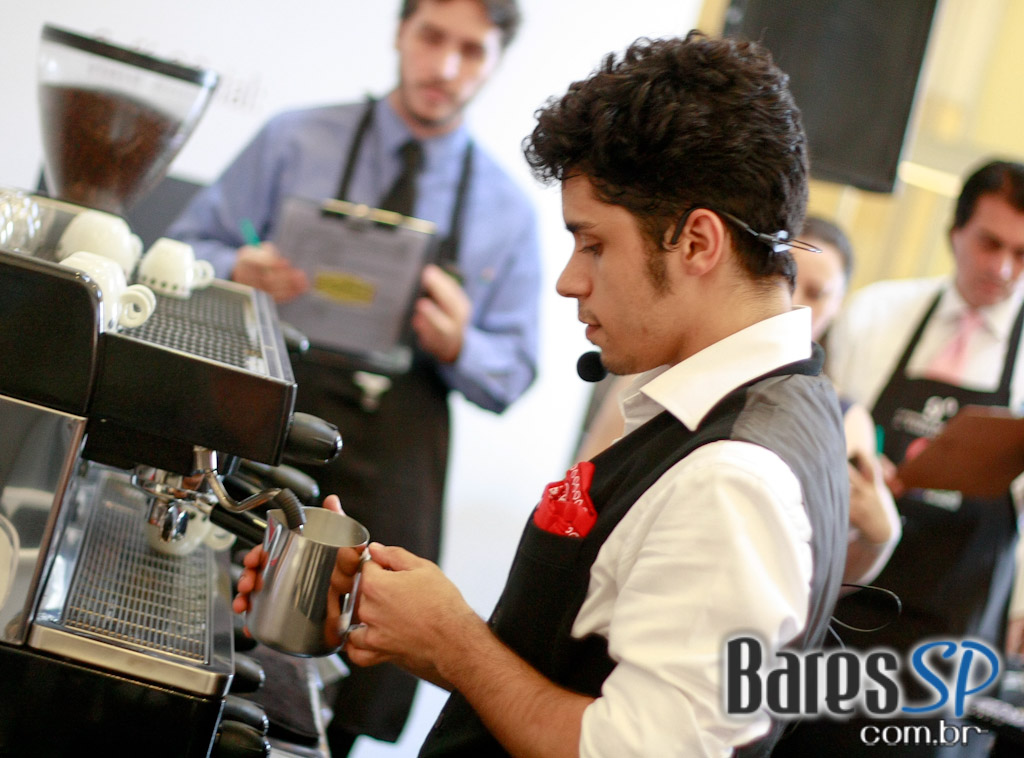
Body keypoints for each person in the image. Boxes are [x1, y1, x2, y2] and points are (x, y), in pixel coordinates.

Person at [236, 30, 851, 756]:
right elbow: (580, 656)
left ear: (696, 243)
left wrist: (457, 645)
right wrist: (417, 624)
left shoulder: (734, 480)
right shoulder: (733, 410)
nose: (569, 280)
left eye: (593, 244)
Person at [167, 1, 541, 754]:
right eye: (432, 38)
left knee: (352, 683)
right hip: (272, 425)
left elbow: (514, 373)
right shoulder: (294, 138)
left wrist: (462, 341)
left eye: (471, 50)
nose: (444, 67)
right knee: (206, 639)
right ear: (401, 32)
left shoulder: (508, 209)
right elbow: (181, 248)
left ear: (496, 60)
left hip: (398, 461)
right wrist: (238, 268)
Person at [771, 160, 1024, 758]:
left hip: (957, 616)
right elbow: (822, 429)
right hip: (850, 588)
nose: (1003, 267)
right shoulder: (877, 315)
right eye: (990, 243)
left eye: (1021, 252)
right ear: (955, 231)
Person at [577, 215, 901, 588]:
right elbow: (583, 485)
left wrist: (879, 539)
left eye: (816, 293)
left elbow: (821, 581)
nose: (794, 303)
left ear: (839, 305)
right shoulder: (659, 376)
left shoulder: (841, 420)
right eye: (789, 281)